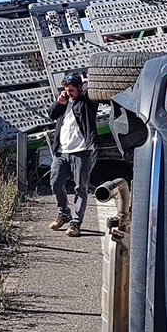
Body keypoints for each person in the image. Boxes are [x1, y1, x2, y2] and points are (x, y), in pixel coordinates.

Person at [47, 72, 97, 237]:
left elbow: (91, 87)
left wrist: (83, 86)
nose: (69, 93)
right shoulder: (64, 102)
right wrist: (59, 102)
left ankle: (76, 223)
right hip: (62, 151)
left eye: (71, 90)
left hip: (81, 152)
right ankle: (64, 213)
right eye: (66, 90)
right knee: (55, 183)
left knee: (80, 188)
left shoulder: (86, 102)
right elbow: (51, 115)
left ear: (79, 88)